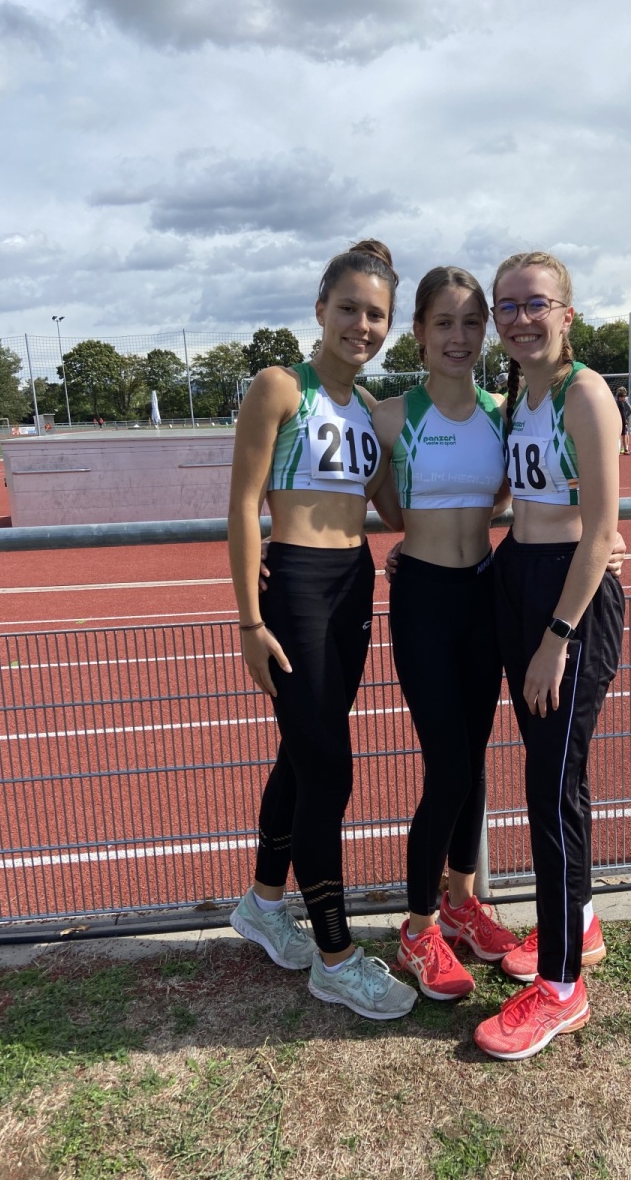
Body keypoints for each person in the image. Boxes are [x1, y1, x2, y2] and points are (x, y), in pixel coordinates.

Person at [374, 266, 627, 1003]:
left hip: (489, 592)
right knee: (449, 766)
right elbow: (365, 501)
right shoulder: (387, 416)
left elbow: (537, 492)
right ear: (418, 333)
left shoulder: (504, 409)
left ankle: (462, 902)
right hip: (424, 600)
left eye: (471, 322)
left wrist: (601, 539)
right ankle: (419, 927)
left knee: (479, 761)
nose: (459, 337)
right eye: (443, 323)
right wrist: (286, 550)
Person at [226, 239, 417, 1021]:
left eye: (376, 315)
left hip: (353, 585)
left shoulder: (370, 408)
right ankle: (334, 957)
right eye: (349, 309)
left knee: (304, 755)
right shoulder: (279, 386)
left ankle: (263, 903)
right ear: (320, 309)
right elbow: (243, 506)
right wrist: (248, 619)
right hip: (296, 589)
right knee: (330, 771)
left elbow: (393, 511)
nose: (361, 326)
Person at [472, 251, 624, 1061]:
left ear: (567, 314)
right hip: (518, 576)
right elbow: (515, 494)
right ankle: (581, 923)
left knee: (548, 789)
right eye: (507, 306)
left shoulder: (584, 394)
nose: (520, 318)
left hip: (568, 600)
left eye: (536, 303)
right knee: (558, 773)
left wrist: (556, 641)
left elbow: (600, 531)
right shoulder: (518, 401)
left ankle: (562, 988)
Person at [615, 386, 631, 455]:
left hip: (620, 421)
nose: (625, 398)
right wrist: (625, 422)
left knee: (623, 435)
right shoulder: (621, 404)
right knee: (624, 435)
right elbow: (623, 414)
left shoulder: (618, 402)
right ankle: (625, 449)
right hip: (622, 421)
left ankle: (624, 449)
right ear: (620, 397)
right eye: (624, 397)